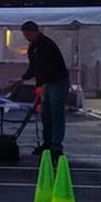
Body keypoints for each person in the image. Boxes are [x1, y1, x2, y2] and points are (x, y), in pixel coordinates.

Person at [14, 20, 69, 156]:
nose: (27, 38)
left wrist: (38, 82)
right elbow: (33, 67)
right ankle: (48, 143)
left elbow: (48, 67)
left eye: (28, 35)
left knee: (56, 114)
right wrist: (23, 78)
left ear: (35, 32)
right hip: (46, 83)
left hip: (57, 81)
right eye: (25, 35)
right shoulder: (32, 48)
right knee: (46, 115)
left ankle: (56, 146)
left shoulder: (46, 44)